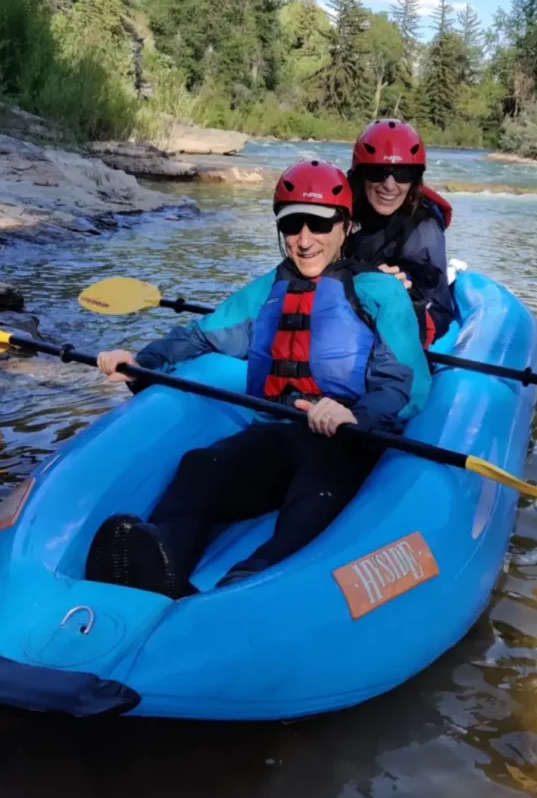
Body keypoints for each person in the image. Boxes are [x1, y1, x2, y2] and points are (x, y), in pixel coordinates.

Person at [85, 159, 431, 599]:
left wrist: (356, 414)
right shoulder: (267, 290)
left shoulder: (377, 291)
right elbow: (199, 337)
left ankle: (247, 584)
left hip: (346, 439)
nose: (305, 241)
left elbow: (407, 384)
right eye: (293, 226)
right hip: (277, 431)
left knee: (317, 491)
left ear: (345, 225)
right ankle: (160, 557)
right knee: (199, 466)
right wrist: (141, 362)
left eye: (319, 225)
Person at [345, 119, 454, 347]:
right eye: (378, 172)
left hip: (395, 319)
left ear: (414, 180)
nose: (390, 185)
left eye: (402, 173)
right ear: (361, 175)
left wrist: (397, 297)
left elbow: (440, 312)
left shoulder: (423, 232)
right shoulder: (343, 208)